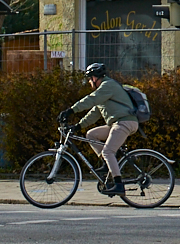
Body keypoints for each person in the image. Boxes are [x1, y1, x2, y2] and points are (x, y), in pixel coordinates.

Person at [60, 63, 141, 193]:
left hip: (125, 122)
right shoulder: (104, 93)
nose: (89, 82)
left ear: (95, 78)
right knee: (91, 135)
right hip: (117, 124)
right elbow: (94, 113)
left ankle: (119, 185)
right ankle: (107, 164)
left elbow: (91, 99)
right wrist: (78, 126)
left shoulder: (108, 85)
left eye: (89, 78)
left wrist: (70, 111)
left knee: (108, 151)